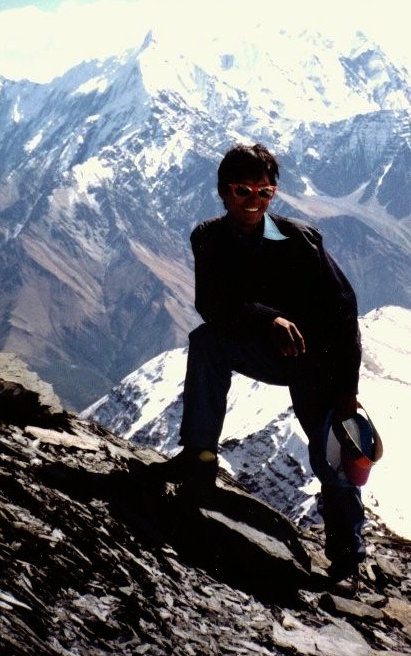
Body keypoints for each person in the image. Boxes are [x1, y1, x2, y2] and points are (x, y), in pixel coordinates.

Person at [151, 142, 365, 580]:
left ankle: (347, 550)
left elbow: (344, 309)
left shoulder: (301, 241)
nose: (254, 201)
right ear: (223, 192)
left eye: (264, 192)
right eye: (243, 190)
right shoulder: (207, 238)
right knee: (207, 341)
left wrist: (348, 386)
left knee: (333, 443)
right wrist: (269, 320)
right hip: (263, 346)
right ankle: (199, 458)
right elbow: (211, 303)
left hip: (315, 359)